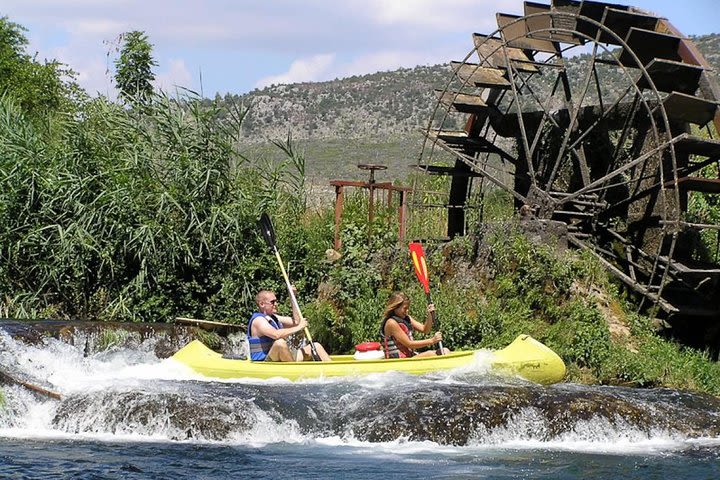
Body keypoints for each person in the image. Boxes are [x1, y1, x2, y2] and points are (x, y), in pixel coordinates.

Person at [247, 289, 331, 362]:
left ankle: (332, 370)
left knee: (316, 346)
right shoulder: (258, 320)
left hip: (279, 358)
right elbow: (276, 334)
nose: (276, 304)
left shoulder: (274, 318)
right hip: (265, 361)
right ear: (262, 304)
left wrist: (292, 297)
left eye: (276, 301)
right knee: (280, 343)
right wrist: (298, 327)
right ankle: (295, 372)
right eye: (272, 302)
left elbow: (297, 321)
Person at [380, 291, 450, 358]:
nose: (407, 311)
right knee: (432, 354)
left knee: (445, 351)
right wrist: (432, 341)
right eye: (405, 308)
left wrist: (430, 315)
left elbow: (425, 330)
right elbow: (409, 344)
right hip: (398, 361)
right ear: (395, 307)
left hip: (410, 357)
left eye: (408, 308)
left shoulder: (407, 318)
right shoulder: (391, 323)